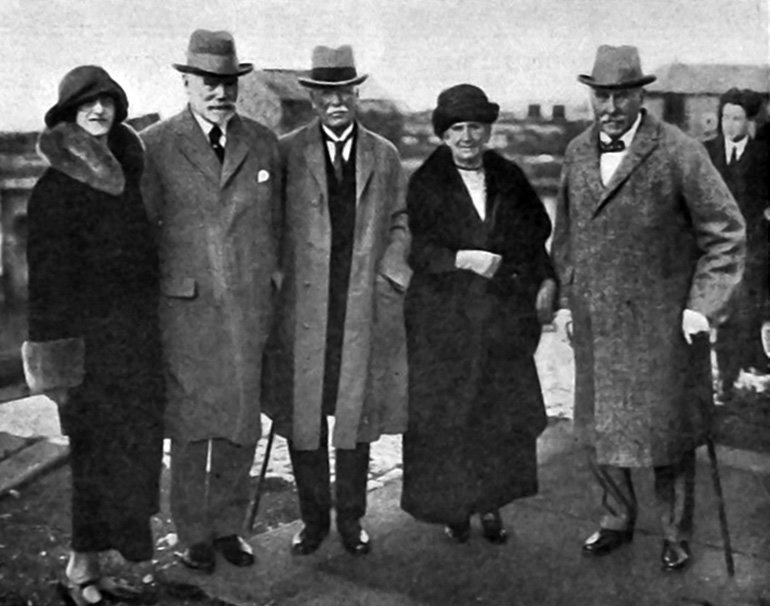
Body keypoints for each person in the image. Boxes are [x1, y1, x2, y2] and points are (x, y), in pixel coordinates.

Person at [552, 45, 746, 572]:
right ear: (592, 96)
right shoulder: (576, 152)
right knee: (600, 430)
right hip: (597, 320)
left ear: (642, 95)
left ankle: (676, 532)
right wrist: (566, 304)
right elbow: (564, 239)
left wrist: (701, 306)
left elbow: (726, 233)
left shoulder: (678, 150)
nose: (611, 106)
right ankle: (616, 518)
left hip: (663, 323)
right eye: (602, 95)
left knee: (666, 432)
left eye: (622, 95)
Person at [140, 30, 281, 574]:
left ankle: (228, 527)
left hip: (248, 308)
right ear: (187, 83)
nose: (219, 93)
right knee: (192, 424)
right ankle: (193, 532)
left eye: (227, 82)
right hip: (185, 309)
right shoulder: (155, 144)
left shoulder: (264, 142)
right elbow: (146, 234)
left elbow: (278, 228)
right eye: (207, 83)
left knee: (241, 420)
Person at [23, 65, 164, 605]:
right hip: (89, 354)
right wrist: (58, 367)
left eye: (107, 102)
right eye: (87, 104)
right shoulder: (55, 190)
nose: (99, 111)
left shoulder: (126, 180)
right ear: (67, 115)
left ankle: (98, 568)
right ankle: (79, 570)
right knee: (91, 460)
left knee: (126, 457)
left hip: (135, 347)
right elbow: (47, 288)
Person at [263, 44, 410, 557]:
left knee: (354, 416)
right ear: (312, 97)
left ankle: (351, 520)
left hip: (359, 306)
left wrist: (389, 274)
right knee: (303, 417)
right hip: (304, 310)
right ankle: (312, 520)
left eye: (343, 90)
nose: (335, 101)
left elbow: (401, 220)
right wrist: (281, 282)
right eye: (325, 92)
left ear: (356, 93)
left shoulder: (383, 155)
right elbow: (269, 226)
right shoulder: (286, 153)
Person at [400, 84, 555, 543]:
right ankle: (455, 509)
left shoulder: (508, 176)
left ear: (487, 131)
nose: (467, 137)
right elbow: (417, 249)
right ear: (443, 136)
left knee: (497, 418)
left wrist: (545, 280)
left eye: (475, 127)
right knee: (453, 421)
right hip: (445, 325)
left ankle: (491, 506)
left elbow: (534, 239)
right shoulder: (427, 181)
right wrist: (461, 259)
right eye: (457, 129)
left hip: (501, 323)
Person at [704, 88, 769, 395]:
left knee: (744, 311)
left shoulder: (764, 155)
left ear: (749, 121)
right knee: (717, 312)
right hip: (714, 246)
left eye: (737, 118)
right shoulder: (705, 152)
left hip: (753, 247)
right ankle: (723, 380)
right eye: (725, 117)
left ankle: (731, 377)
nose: (730, 125)